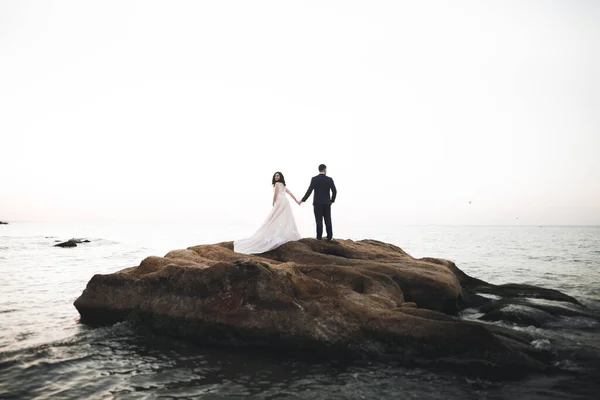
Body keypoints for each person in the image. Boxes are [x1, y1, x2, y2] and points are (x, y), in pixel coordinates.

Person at [233, 172, 302, 254]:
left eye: (278, 175)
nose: (276, 177)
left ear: (280, 177)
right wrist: (297, 201)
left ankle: (275, 234)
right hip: (285, 202)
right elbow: (290, 194)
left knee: (273, 218)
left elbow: (276, 194)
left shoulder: (277, 184)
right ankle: (280, 234)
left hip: (280, 202)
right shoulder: (283, 185)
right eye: (275, 176)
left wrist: (273, 202)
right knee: (284, 218)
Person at [300, 164, 337, 241]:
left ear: (319, 170)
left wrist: (303, 200)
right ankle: (329, 237)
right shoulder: (329, 179)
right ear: (325, 170)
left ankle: (319, 237)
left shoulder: (314, 179)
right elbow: (334, 191)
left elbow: (309, 191)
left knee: (318, 220)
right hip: (327, 203)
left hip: (317, 202)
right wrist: (332, 200)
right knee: (328, 220)